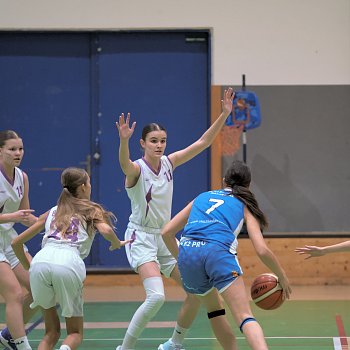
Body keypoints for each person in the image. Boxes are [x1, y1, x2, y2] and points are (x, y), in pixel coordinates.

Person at [115, 88, 240, 350]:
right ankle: (124, 348)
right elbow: (124, 165)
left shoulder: (170, 163)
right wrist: (123, 140)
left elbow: (203, 143)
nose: (159, 145)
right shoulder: (137, 169)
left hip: (166, 237)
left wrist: (224, 114)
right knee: (156, 297)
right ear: (143, 143)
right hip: (141, 238)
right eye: (153, 141)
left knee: (197, 289)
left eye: (162, 140)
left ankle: (174, 343)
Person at [161, 160, 292, 350]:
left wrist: (183, 258)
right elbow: (262, 250)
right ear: (248, 185)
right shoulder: (244, 204)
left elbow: (166, 232)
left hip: (188, 254)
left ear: (224, 181)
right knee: (244, 316)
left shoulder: (202, 197)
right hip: (217, 252)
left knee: (214, 310)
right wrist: (282, 275)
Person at [11, 167, 130, 350]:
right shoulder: (90, 209)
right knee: (74, 333)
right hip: (68, 261)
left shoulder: (53, 211)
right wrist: (116, 243)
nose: (90, 186)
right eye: (89, 182)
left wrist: (31, 267)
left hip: (41, 261)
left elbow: (16, 243)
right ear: (83, 187)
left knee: (51, 332)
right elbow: (106, 230)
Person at [0, 130, 41, 350]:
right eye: (12, 149)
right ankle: (22, 345)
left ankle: (9, 335)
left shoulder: (22, 177)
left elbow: (25, 215)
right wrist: (10, 217)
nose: (18, 153)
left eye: (21, 149)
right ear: (0, 151)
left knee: (41, 288)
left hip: (9, 239)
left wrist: (48, 223)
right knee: (14, 294)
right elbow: (15, 216)